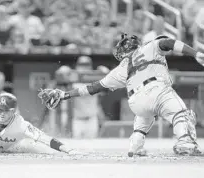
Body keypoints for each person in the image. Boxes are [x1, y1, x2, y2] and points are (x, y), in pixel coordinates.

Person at [39, 34, 204, 156]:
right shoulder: (149, 46)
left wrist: (65, 95)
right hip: (157, 88)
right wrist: (195, 53)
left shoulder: (120, 68)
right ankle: (185, 142)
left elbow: (93, 87)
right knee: (182, 113)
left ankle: (135, 146)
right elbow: (169, 42)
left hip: (136, 101)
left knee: (144, 117)